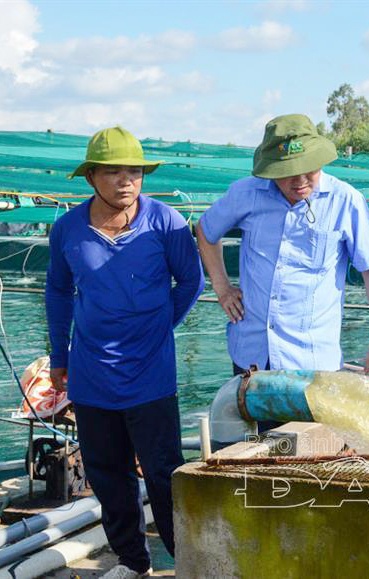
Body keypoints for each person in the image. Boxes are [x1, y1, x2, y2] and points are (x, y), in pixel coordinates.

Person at [46, 127, 204, 579]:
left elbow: (190, 281)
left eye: (133, 170)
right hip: (92, 372)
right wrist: (60, 357)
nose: (125, 180)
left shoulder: (166, 222)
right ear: (91, 176)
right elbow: (57, 293)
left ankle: (187, 563)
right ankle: (133, 562)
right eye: (113, 171)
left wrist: (159, 326)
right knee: (108, 474)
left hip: (152, 373)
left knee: (164, 473)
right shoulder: (68, 230)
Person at [197, 114, 369, 390]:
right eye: (288, 173)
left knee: (311, 434)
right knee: (256, 435)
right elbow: (206, 231)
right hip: (253, 355)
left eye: (309, 170)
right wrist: (221, 287)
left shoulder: (345, 200)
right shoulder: (246, 194)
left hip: (313, 361)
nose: (301, 180)